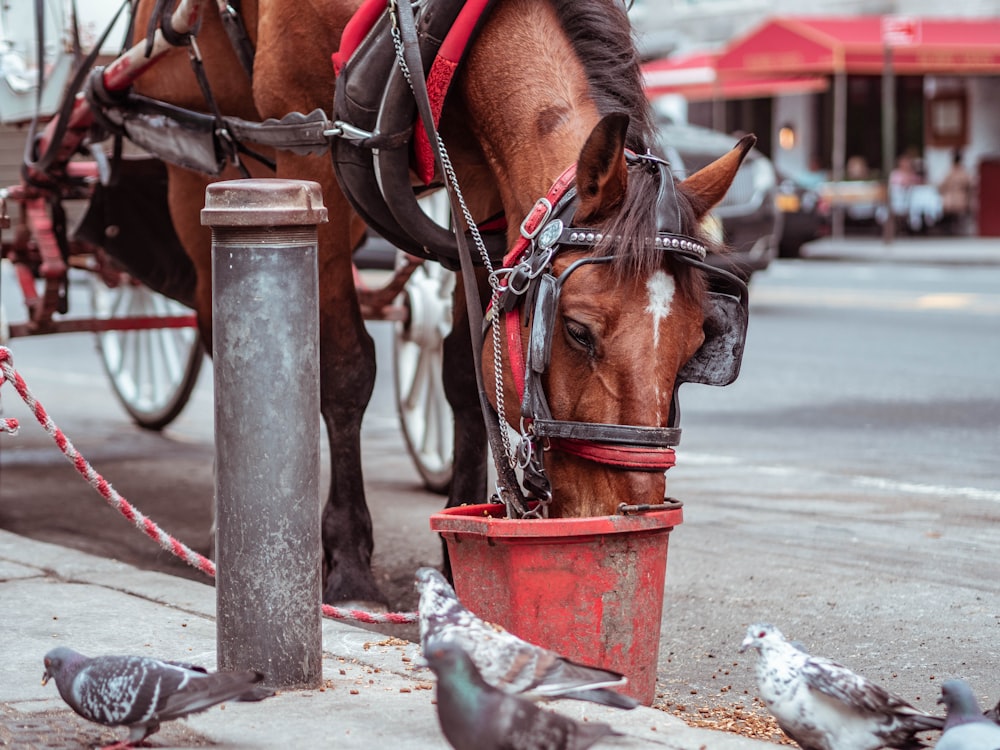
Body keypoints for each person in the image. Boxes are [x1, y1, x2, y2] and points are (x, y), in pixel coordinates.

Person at [938, 149, 974, 235]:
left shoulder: (950, 172)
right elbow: (970, 185)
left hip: (949, 201)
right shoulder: (964, 172)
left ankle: (950, 229)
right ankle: (955, 229)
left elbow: (942, 186)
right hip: (961, 199)